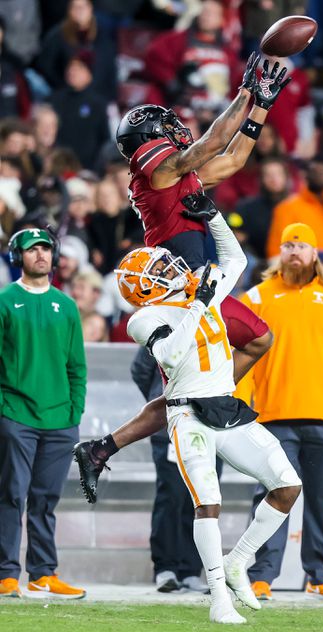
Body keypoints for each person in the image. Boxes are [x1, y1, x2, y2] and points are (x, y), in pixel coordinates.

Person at [73, 54, 290, 499]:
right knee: (239, 354)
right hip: (177, 291)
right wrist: (247, 94)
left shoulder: (175, 176)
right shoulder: (151, 169)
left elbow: (230, 161)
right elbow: (209, 145)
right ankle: (113, 443)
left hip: (197, 285)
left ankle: (103, 447)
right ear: (149, 138)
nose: (177, 130)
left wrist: (262, 106)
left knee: (228, 364)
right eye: (167, 126)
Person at [101, 200, 301, 623]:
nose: (169, 267)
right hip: (186, 413)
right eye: (158, 270)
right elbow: (171, 356)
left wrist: (212, 217)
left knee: (287, 486)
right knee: (208, 501)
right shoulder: (146, 317)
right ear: (146, 288)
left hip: (224, 404)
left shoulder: (195, 287)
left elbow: (236, 258)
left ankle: (237, 561)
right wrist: (198, 305)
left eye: (164, 263)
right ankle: (217, 598)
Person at [235, 222, 323, 601]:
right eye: (287, 245)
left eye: (301, 245)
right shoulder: (257, 297)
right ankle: (262, 574)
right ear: (279, 253)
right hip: (271, 416)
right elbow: (239, 357)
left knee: (320, 499)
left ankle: (319, 573)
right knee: (270, 496)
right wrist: (241, 402)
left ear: (315, 254)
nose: (294, 251)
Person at [0, 227, 86, 598]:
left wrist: (75, 412)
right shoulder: (4, 301)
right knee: (10, 496)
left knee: (45, 500)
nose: (41, 255)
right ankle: (6, 574)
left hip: (60, 421)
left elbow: (76, 367)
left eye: (46, 249)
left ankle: (42, 573)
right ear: (18, 256)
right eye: (32, 249)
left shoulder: (66, 306)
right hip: (15, 414)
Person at [131, 346, 208, 594]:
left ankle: (190, 570)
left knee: (201, 498)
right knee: (171, 495)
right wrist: (160, 405)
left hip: (208, 425)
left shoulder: (216, 324)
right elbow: (140, 369)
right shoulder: (163, 325)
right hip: (172, 424)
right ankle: (166, 568)